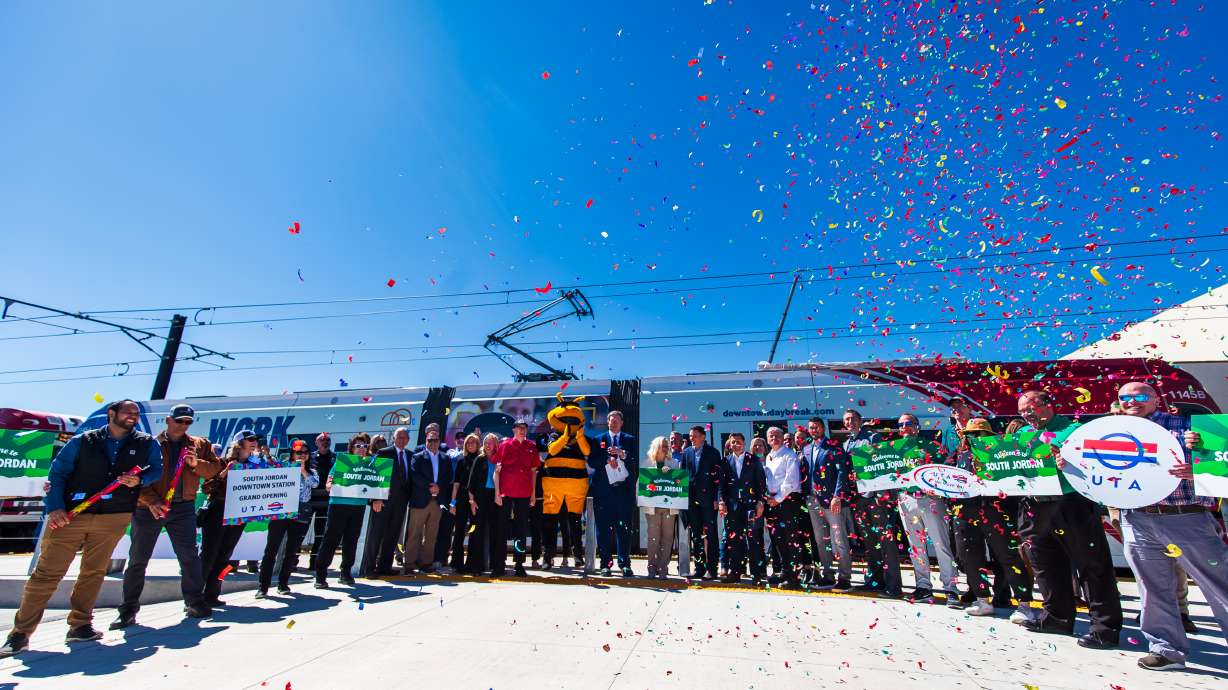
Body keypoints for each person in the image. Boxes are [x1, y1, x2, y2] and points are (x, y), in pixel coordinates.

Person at [1, 400, 162, 657]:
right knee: (47, 574)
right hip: (71, 515)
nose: (132, 416)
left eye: (136, 413)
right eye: (127, 412)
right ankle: (20, 634)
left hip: (114, 516)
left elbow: (156, 470)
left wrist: (139, 479)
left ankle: (80, 625)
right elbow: (58, 474)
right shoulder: (84, 441)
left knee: (93, 573)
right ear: (112, 413)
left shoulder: (146, 443)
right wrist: (55, 507)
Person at [1112, 382, 1227, 671]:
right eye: (1125, 397)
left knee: (1219, 585)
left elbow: (1221, 461)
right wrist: (1066, 462)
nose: (1132, 402)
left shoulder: (1186, 426)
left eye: (1140, 396)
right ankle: (1166, 650)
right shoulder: (1111, 430)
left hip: (1185, 517)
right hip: (1136, 519)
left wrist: (1200, 469)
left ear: (1156, 399)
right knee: (1152, 588)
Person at [1015, 390, 1123, 648]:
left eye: (1030, 409)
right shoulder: (1021, 434)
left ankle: (1104, 628)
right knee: (1045, 565)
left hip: (1071, 503)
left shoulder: (1074, 430)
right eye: (1021, 412)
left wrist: (1068, 458)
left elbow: (1096, 463)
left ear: (1048, 404)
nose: (1026, 415)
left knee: (1091, 565)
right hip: (1034, 505)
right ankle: (1056, 618)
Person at [113, 404, 220, 629]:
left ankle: (194, 602)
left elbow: (214, 469)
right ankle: (128, 609)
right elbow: (134, 477)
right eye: (179, 420)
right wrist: (151, 500)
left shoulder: (199, 445)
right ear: (168, 420)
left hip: (183, 507)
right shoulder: (148, 444)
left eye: (188, 422)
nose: (183, 425)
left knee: (189, 557)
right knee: (138, 559)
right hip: (149, 508)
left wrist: (196, 464)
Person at [949, 419, 1035, 622]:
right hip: (964, 512)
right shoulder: (959, 455)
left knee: (1008, 556)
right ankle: (982, 600)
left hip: (995, 511)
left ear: (988, 435)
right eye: (969, 434)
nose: (973, 438)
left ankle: (1024, 605)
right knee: (969, 556)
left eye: (978, 433)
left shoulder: (1000, 454)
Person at [197, 430, 271, 607]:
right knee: (208, 555)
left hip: (238, 513)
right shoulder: (222, 462)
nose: (254, 442)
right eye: (250, 439)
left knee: (225, 556)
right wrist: (225, 472)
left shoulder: (255, 465)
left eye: (255, 439)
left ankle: (212, 594)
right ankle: (195, 596)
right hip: (218, 510)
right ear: (239, 444)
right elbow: (206, 488)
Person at [895, 413, 959, 602]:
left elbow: (945, 470)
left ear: (917, 426)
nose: (905, 427)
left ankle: (951, 588)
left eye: (909, 423)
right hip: (906, 500)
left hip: (930, 500)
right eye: (901, 425)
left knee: (941, 545)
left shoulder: (931, 446)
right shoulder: (894, 449)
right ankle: (923, 587)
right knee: (916, 547)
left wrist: (937, 489)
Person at [843, 410, 902, 598]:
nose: (850, 422)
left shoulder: (872, 437)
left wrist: (881, 493)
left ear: (860, 421)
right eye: (847, 420)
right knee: (870, 543)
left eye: (853, 419)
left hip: (875, 497)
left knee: (886, 542)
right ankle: (875, 582)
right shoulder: (846, 444)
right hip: (858, 498)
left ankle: (893, 586)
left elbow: (882, 463)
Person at [314, 433, 383, 588]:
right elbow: (329, 482)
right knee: (331, 539)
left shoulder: (371, 464)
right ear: (351, 448)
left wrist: (377, 498)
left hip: (358, 506)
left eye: (365, 446)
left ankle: (345, 572)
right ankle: (320, 574)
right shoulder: (342, 461)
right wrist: (329, 485)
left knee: (351, 540)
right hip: (338, 505)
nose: (361, 449)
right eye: (358, 446)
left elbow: (377, 483)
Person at [256, 439, 319, 596]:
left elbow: (314, 484)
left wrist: (303, 470)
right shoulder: (284, 466)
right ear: (292, 453)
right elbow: (270, 466)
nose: (302, 455)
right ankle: (263, 586)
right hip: (281, 510)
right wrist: (267, 454)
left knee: (291, 551)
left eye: (305, 452)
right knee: (271, 549)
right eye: (299, 452)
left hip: (300, 511)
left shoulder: (312, 471)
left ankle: (283, 584)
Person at [800, 417, 854, 592]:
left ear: (823, 428)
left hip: (831, 501)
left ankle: (844, 577)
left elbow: (842, 472)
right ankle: (828, 575)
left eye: (816, 427)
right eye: (811, 428)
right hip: (813, 500)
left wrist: (837, 496)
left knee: (839, 539)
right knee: (821, 540)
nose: (813, 430)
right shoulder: (806, 449)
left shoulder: (834, 446)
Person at [591, 411, 638, 577]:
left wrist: (622, 454)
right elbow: (591, 461)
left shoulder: (630, 439)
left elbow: (635, 460)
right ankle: (605, 564)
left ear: (622, 422)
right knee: (603, 529)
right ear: (607, 422)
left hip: (623, 492)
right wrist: (606, 459)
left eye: (617, 420)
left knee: (624, 529)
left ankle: (624, 564)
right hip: (603, 493)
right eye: (611, 420)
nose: (614, 423)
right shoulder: (598, 440)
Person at [682, 425, 727, 580]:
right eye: (690, 436)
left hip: (708, 501)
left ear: (703, 437)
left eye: (694, 435)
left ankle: (712, 569)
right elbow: (683, 476)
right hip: (692, 500)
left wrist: (717, 498)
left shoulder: (713, 453)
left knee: (710, 535)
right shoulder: (686, 452)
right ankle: (699, 568)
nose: (691, 438)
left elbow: (718, 478)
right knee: (696, 535)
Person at [406, 425, 453, 572]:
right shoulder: (418, 457)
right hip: (420, 500)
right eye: (430, 440)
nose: (433, 442)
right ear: (426, 440)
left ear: (439, 441)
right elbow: (415, 475)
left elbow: (448, 477)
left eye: (435, 440)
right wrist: (430, 486)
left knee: (431, 534)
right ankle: (410, 563)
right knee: (415, 533)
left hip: (437, 501)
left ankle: (426, 563)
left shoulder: (445, 458)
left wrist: (439, 487)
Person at [494, 421, 538, 577]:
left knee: (521, 531)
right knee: (501, 529)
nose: (522, 430)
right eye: (519, 428)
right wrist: (497, 493)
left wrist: (533, 494)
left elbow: (533, 472)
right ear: (513, 430)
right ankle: (499, 564)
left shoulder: (531, 447)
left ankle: (519, 564)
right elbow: (497, 471)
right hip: (506, 493)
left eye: (524, 428)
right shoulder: (505, 445)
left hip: (524, 494)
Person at [722, 433, 766, 584]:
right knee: (735, 541)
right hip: (733, 507)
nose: (735, 445)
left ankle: (756, 575)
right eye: (733, 442)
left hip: (751, 506)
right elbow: (722, 485)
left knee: (754, 541)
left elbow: (761, 483)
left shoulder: (753, 460)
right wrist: (722, 501)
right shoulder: (726, 461)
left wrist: (760, 502)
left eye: (738, 442)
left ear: (744, 443)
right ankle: (735, 572)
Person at [369, 427, 414, 576]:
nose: (402, 440)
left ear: (408, 440)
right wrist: (376, 498)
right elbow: (375, 475)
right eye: (399, 437)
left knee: (393, 535)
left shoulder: (410, 455)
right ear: (394, 438)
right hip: (383, 501)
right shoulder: (384, 453)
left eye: (404, 437)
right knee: (377, 534)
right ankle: (370, 567)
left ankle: (385, 566)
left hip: (401, 503)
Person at [763, 427, 804, 588]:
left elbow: (791, 481)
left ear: (783, 438)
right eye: (771, 436)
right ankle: (785, 572)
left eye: (777, 435)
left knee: (791, 539)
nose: (774, 438)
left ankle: (795, 578)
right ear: (767, 439)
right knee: (778, 539)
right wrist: (769, 497)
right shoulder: (769, 456)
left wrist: (777, 499)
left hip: (787, 500)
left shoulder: (789, 454)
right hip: (773, 501)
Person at [641, 436, 681, 578]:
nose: (664, 448)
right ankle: (651, 567)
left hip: (669, 508)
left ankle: (663, 567)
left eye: (666, 446)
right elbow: (641, 484)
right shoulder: (647, 463)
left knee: (667, 538)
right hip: (652, 508)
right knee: (653, 538)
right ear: (655, 447)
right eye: (661, 445)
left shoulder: (674, 463)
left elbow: (680, 482)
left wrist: (671, 474)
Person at [466, 433, 502, 574]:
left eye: (490, 442)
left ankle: (494, 565)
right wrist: (472, 501)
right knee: (478, 532)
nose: (487, 445)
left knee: (495, 531)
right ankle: (476, 566)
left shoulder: (499, 459)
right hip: (480, 498)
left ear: (496, 445)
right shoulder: (479, 459)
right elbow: (471, 483)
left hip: (495, 498)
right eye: (486, 442)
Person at [447, 433, 480, 571]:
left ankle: (472, 562)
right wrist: (452, 503)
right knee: (459, 530)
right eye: (468, 442)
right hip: (461, 498)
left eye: (474, 442)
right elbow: (456, 484)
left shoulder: (481, 460)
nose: (471, 445)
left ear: (478, 445)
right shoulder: (461, 460)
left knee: (474, 530)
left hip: (477, 499)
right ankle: (456, 562)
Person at [307, 432, 335, 570]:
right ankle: (293, 562)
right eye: (322, 440)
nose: (325, 442)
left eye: (328, 440)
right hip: (309, 499)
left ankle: (314, 562)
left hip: (325, 501)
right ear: (316, 443)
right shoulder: (310, 457)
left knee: (320, 534)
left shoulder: (335, 458)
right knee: (301, 531)